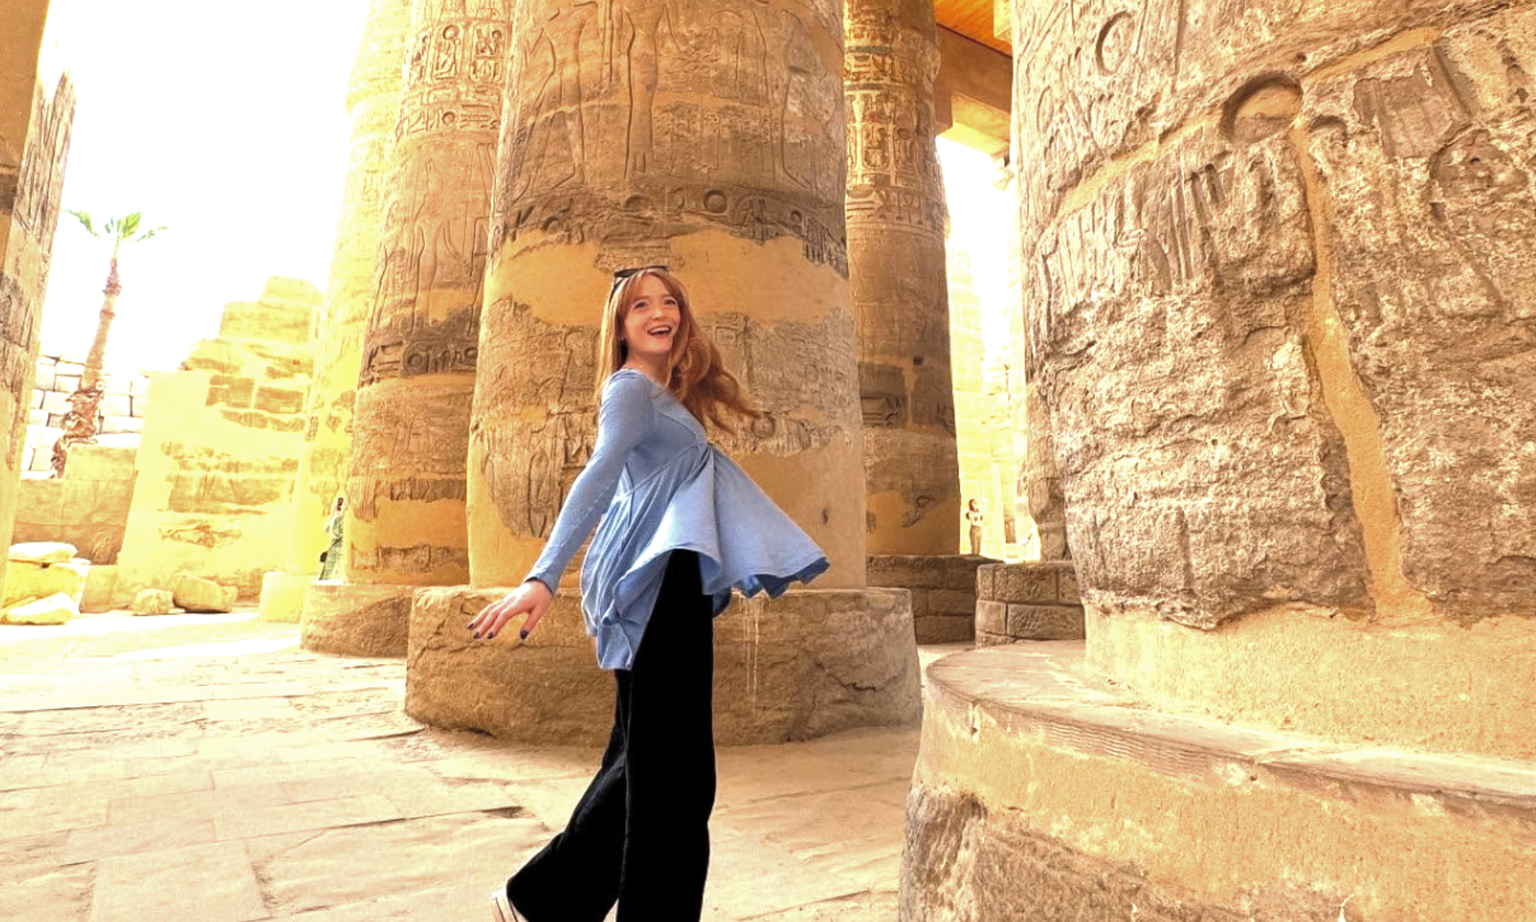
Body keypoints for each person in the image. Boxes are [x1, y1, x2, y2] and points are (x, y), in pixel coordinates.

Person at [468, 266, 830, 922]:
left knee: (644, 760)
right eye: (640, 305)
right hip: (657, 582)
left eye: (669, 301)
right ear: (621, 325)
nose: (658, 311)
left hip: (673, 579)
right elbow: (598, 478)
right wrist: (542, 576)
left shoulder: (668, 396)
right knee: (677, 780)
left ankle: (537, 901)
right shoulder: (630, 390)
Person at [318, 496, 345, 581]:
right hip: (334, 550)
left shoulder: (341, 519)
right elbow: (326, 529)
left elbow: (335, 532)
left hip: (339, 550)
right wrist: (332, 513)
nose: (339, 506)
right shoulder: (336, 518)